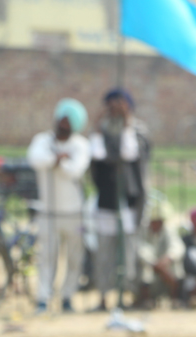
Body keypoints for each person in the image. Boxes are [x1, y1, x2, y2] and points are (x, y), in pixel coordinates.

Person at [89, 88, 151, 311]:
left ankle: (126, 294)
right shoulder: (102, 130)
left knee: (128, 252)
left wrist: (126, 124)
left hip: (129, 200)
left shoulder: (138, 130)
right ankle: (103, 296)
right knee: (104, 252)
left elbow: (130, 154)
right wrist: (98, 126)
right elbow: (97, 156)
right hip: (106, 198)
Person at [27, 98, 91, 314]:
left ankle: (67, 297)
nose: (63, 125)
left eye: (68, 122)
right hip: (47, 211)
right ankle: (43, 298)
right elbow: (36, 159)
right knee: (47, 257)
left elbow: (75, 170)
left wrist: (57, 162)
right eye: (61, 120)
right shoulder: (42, 140)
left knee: (74, 258)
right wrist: (58, 158)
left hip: (74, 212)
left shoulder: (80, 144)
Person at [134, 198, 185, 308]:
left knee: (176, 266)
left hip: (165, 267)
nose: (157, 224)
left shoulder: (168, 229)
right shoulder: (142, 230)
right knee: (145, 269)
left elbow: (178, 247)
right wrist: (154, 263)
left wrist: (168, 259)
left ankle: (175, 298)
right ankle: (146, 299)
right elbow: (140, 249)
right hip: (150, 267)